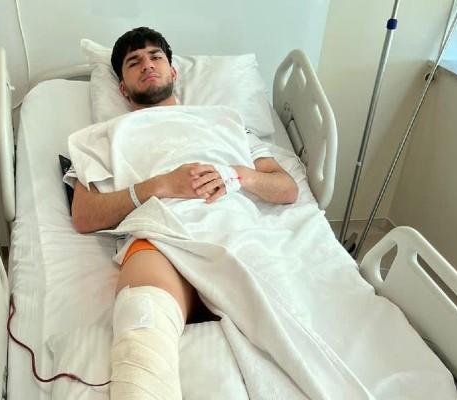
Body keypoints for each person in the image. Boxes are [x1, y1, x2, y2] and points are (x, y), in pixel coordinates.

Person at [70, 27, 298, 400]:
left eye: (155, 56)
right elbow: (84, 215)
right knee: (142, 326)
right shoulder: (104, 135)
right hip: (162, 237)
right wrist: (159, 185)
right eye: (134, 62)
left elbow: (287, 188)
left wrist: (236, 176)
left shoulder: (226, 122)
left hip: (237, 234)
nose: (147, 65)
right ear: (122, 88)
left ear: (173, 72)